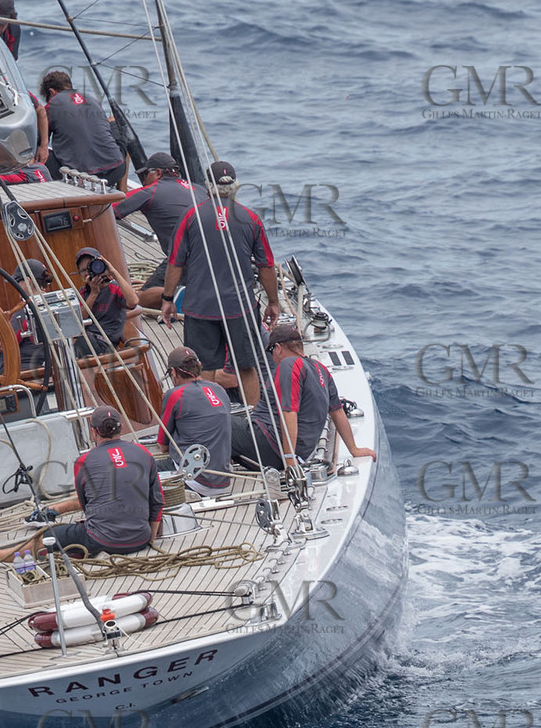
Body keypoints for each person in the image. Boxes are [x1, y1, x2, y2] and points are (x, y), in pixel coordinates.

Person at [0, 407, 161, 565]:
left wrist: (57, 510)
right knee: (82, 532)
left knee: (47, 538)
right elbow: (157, 503)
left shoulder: (85, 461)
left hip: (104, 541)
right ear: (121, 427)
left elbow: (87, 504)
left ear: (93, 431)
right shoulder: (144, 453)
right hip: (140, 539)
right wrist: (148, 540)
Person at [160, 160, 282, 406]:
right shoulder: (251, 219)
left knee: (203, 369)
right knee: (247, 367)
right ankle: (255, 421)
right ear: (235, 186)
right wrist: (273, 302)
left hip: (200, 308)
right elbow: (266, 265)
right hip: (240, 308)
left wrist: (167, 299)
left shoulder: (191, 216)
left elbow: (175, 262)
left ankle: (211, 415)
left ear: (208, 186)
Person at [233, 324, 377, 471]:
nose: (272, 357)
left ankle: (215, 483)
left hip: (270, 446)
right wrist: (354, 449)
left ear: (278, 347)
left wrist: (289, 460)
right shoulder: (321, 369)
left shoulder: (289, 365)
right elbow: (337, 412)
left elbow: (289, 412)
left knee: (217, 419)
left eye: (271, 351)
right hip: (295, 452)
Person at [113, 151, 207, 307]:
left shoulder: (152, 191)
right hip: (216, 253)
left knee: (140, 298)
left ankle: (188, 295)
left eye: (145, 176)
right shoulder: (199, 189)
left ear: (157, 173)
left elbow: (111, 209)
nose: (143, 181)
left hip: (186, 257)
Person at [156, 346, 232, 496]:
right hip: (223, 482)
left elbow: (162, 445)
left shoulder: (175, 395)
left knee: (138, 469)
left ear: (173, 373)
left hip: (194, 481)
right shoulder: (219, 389)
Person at [39, 70, 124, 188]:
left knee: (39, 151)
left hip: (80, 177)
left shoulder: (52, 104)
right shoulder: (92, 99)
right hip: (115, 171)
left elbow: (40, 141)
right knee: (117, 137)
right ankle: (122, 190)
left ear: (52, 92)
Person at [0, 259, 52, 373]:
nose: (16, 287)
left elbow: (5, 344)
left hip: (24, 372)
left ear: (27, 281)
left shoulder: (26, 309)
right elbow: (18, 336)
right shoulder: (49, 303)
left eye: (17, 282)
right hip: (42, 368)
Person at [75, 246, 139, 356]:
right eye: (83, 270)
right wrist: (93, 293)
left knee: (82, 345)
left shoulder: (113, 288)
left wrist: (113, 272)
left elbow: (133, 302)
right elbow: (80, 319)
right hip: (88, 340)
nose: (88, 273)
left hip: (105, 343)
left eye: (90, 268)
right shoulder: (83, 293)